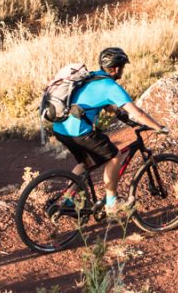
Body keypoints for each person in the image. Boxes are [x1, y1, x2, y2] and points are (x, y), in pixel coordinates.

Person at [48, 47, 169, 217]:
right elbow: (138, 113)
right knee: (115, 156)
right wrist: (159, 127)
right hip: (79, 132)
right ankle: (112, 202)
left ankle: (67, 200)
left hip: (61, 129)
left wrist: (121, 116)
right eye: (122, 67)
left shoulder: (92, 77)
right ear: (116, 68)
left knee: (86, 162)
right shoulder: (110, 86)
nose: (123, 71)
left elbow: (102, 103)